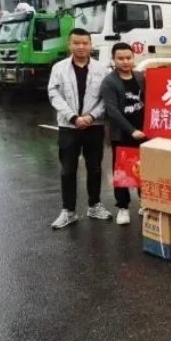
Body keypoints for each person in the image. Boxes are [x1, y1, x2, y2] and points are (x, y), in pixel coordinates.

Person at [48, 28, 112, 229]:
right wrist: (73, 117)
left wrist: (92, 116)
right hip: (69, 126)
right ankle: (68, 211)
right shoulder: (59, 68)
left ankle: (94, 205)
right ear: (69, 45)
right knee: (68, 170)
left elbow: (106, 98)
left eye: (85, 43)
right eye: (76, 43)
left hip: (94, 126)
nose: (81, 47)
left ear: (91, 45)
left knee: (94, 167)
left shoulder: (102, 69)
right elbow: (54, 94)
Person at [100, 42, 146, 225]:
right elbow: (112, 111)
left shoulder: (140, 77)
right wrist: (131, 130)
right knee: (123, 172)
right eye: (120, 58)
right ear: (113, 60)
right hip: (123, 133)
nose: (125, 62)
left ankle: (145, 202)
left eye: (128, 58)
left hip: (143, 133)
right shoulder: (109, 82)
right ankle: (123, 207)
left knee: (145, 169)